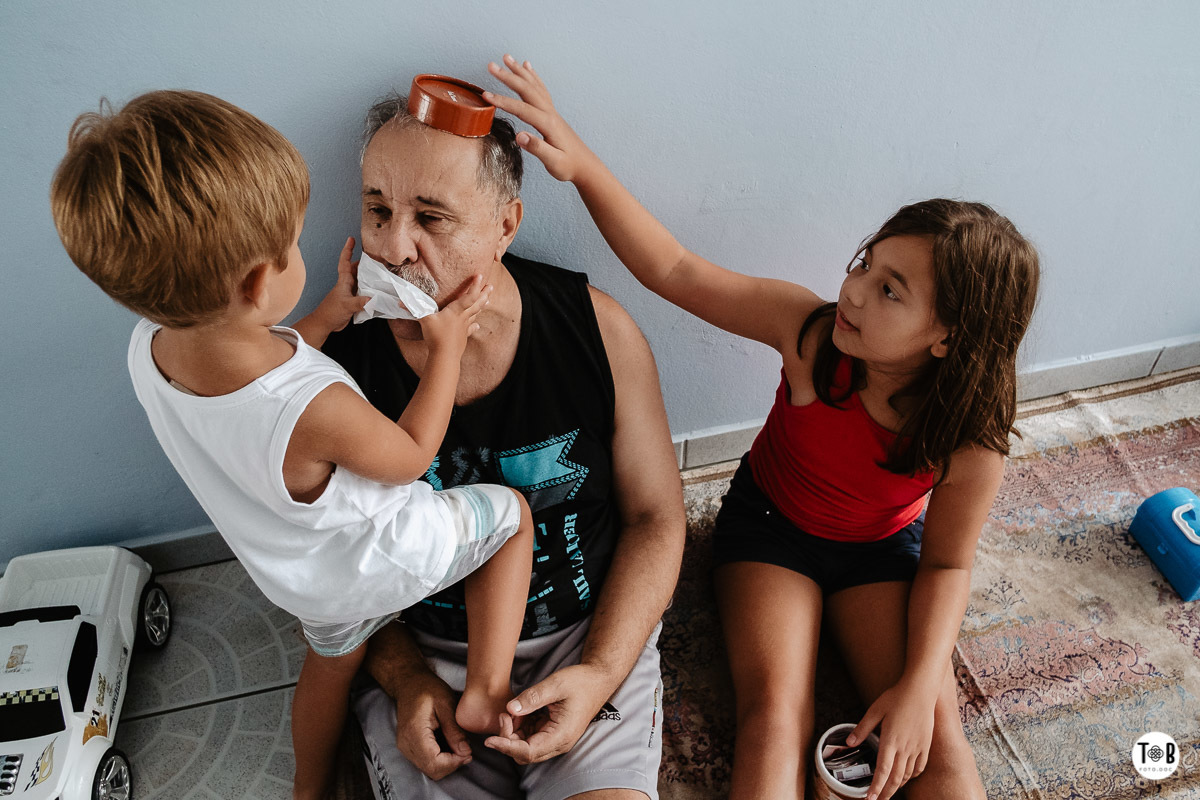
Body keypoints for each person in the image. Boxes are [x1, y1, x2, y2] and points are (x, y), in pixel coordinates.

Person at [485, 55, 1040, 800]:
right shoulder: (809, 331)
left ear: (946, 336)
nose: (854, 290)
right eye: (865, 264)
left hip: (881, 556)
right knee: (777, 716)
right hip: (769, 534)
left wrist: (915, 689)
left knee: (939, 754)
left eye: (889, 291)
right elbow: (674, 268)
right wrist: (581, 164)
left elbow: (945, 566)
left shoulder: (972, 436)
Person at [49, 89, 537, 800]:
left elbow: (260, 361)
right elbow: (408, 457)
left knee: (330, 667)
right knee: (513, 517)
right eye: (288, 248)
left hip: (299, 576)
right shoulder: (318, 406)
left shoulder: (151, 345)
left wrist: (326, 316)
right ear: (256, 282)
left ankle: (309, 787)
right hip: (379, 553)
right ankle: (485, 694)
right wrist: (446, 351)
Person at [321, 81, 686, 800]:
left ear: (505, 225)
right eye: (377, 210)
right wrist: (404, 679)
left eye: (431, 217)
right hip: (427, 656)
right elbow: (326, 568)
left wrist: (602, 672)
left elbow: (656, 518)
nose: (395, 249)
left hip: (583, 640)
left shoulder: (597, 332)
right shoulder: (336, 371)